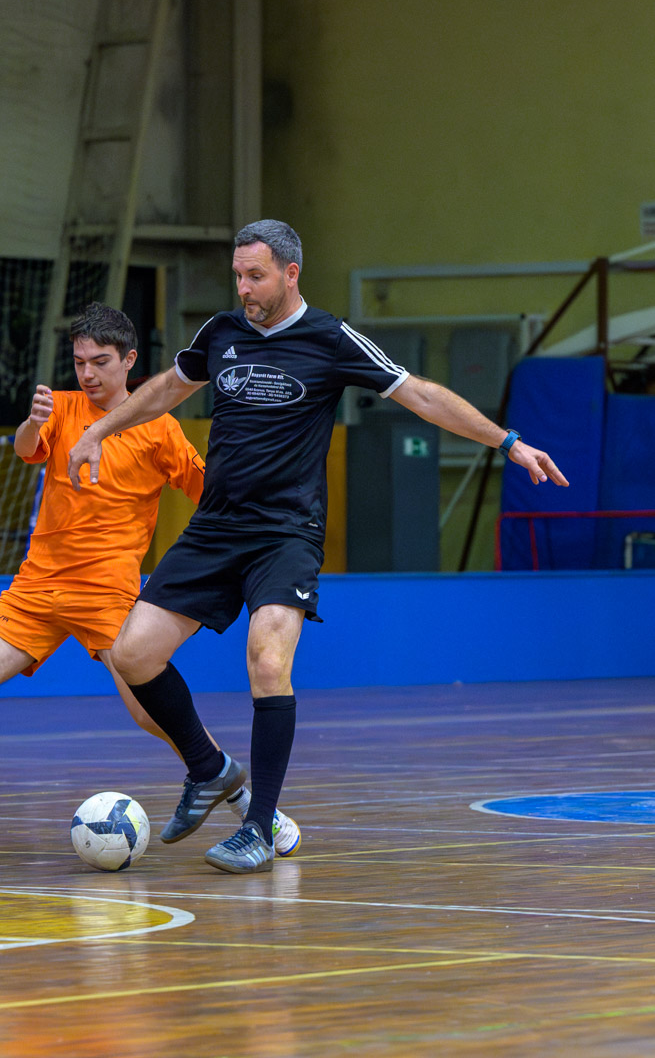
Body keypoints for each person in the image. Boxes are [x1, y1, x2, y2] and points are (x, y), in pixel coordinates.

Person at [67, 220, 569, 874]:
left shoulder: (330, 338)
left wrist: (507, 442)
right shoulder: (221, 332)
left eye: (256, 276)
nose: (244, 289)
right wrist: (99, 430)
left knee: (267, 659)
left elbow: (419, 395)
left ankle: (256, 828)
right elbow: (167, 388)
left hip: (286, 532)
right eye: (237, 276)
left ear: (290, 273)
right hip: (216, 526)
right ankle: (209, 768)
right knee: (133, 654)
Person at [0, 304, 299, 863]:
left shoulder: (160, 427)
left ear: (129, 361)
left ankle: (254, 808)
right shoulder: (61, 407)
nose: (88, 373)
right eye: (79, 362)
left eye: (100, 361)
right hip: (36, 588)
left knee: (151, 713)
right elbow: (26, 450)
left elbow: (212, 495)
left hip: (109, 593)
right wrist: (32, 422)